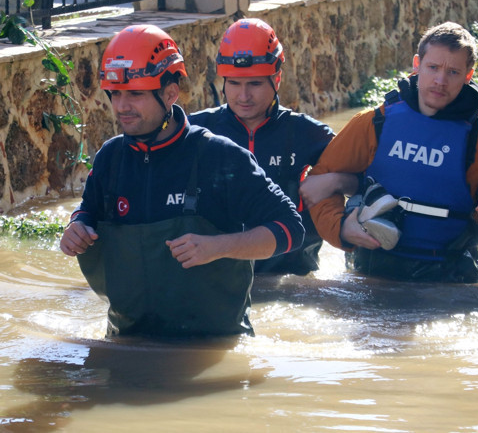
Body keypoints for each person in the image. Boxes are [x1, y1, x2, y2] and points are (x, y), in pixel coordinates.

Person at [59, 24, 305, 337]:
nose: (121, 107)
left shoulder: (220, 156)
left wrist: (219, 246)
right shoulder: (111, 158)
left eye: (135, 94)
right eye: (115, 94)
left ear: (170, 93)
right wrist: (76, 228)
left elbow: (290, 229)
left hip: (213, 347)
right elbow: (87, 213)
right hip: (128, 344)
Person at [306, 21, 478, 283]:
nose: (441, 80)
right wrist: (341, 228)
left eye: (453, 72)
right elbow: (318, 187)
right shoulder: (373, 122)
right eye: (433, 67)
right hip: (373, 270)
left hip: (452, 276)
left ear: (469, 75)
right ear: (417, 64)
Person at [189, 18, 336, 276]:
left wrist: (335, 181)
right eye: (234, 83)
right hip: (219, 281)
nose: (243, 96)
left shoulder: (308, 133)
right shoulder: (196, 131)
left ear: (276, 78)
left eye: (254, 84)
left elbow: (369, 174)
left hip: (292, 281)